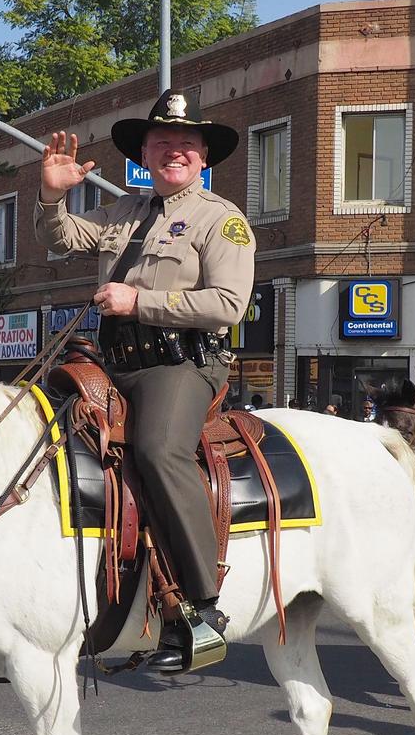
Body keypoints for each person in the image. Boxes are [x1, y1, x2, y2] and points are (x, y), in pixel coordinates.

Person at [35, 88, 254, 672]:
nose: (173, 151)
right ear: (145, 154)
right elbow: (61, 238)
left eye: (185, 143)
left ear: (203, 156)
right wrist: (52, 196)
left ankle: (203, 609)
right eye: (162, 142)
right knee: (43, 431)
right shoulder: (123, 212)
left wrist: (140, 301)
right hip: (115, 365)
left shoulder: (222, 220)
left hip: (181, 365)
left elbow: (229, 304)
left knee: (158, 450)